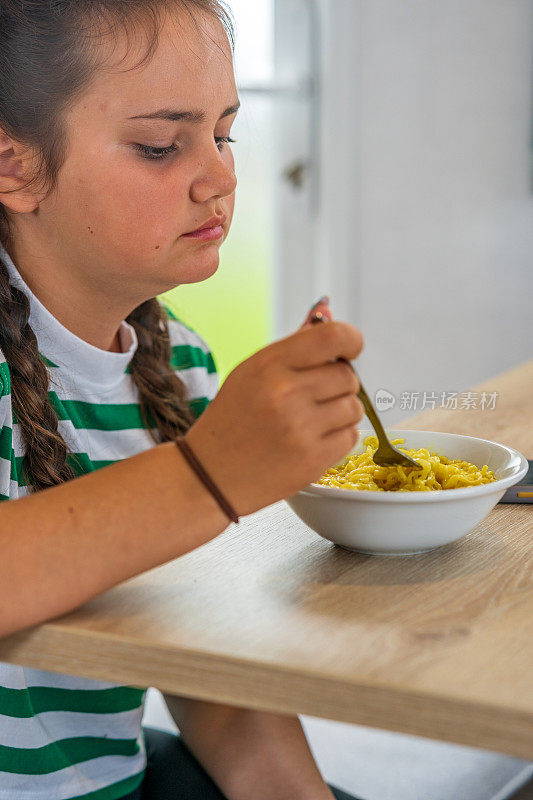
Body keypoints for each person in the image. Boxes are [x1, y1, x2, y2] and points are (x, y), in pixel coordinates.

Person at [0, 1, 366, 798]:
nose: (222, 177)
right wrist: (210, 474)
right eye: (161, 145)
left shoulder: (184, 366)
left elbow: (216, 688)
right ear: (14, 166)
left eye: (223, 133)